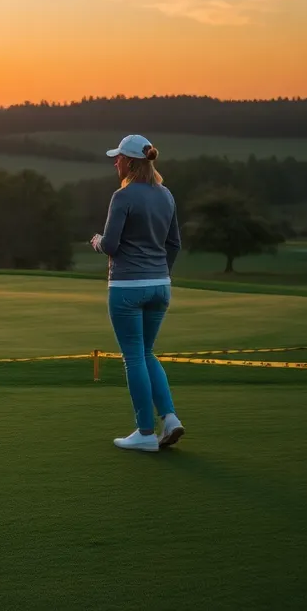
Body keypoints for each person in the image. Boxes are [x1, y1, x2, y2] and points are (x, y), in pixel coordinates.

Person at [90, 135, 185, 452]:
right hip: (160, 285)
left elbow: (112, 245)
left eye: (118, 158)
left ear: (130, 162)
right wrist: (161, 272)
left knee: (134, 357)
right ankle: (169, 418)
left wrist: (96, 242)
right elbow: (174, 245)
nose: (115, 162)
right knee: (146, 353)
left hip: (127, 288)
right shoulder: (167, 195)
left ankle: (145, 432)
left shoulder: (123, 196)